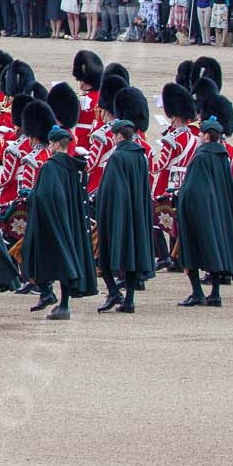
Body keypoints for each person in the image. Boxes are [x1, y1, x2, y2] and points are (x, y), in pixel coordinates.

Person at [174, 100, 233, 307]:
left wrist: (180, 199)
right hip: (219, 212)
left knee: (190, 252)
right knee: (216, 251)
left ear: (207, 135)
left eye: (202, 133)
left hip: (200, 211)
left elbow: (193, 188)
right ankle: (215, 294)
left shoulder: (202, 156)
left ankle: (197, 293)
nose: (199, 136)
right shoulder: (222, 157)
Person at [18, 124, 96, 320]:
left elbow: (44, 195)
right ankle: (62, 304)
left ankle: (50, 295)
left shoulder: (50, 167)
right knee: (66, 261)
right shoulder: (73, 168)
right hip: (70, 220)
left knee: (35, 256)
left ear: (53, 144)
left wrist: (30, 195)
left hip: (51, 221)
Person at [93, 88, 156, 314]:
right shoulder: (140, 155)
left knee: (104, 256)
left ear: (119, 136)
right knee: (131, 259)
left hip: (118, 214)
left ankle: (113, 292)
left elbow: (109, 189)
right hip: (136, 213)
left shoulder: (118, 156)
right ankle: (128, 299)